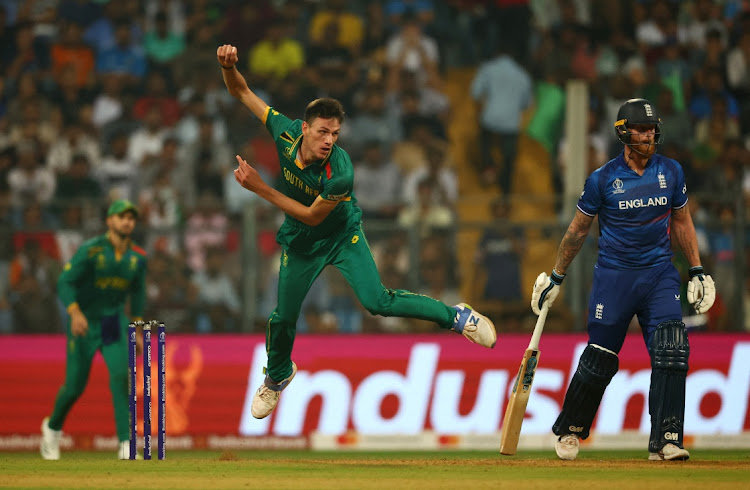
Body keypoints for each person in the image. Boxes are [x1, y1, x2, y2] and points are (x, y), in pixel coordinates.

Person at [216, 44, 497, 420]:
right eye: (322, 132)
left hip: (339, 235)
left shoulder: (341, 171)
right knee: (283, 317)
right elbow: (241, 91)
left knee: (377, 302)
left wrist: (259, 188)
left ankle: (457, 318)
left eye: (334, 133)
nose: (329, 140)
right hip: (301, 243)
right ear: (304, 128)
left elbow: (314, 216)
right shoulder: (283, 132)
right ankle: (278, 375)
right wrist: (228, 66)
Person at [531, 99, 716, 462]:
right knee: (600, 358)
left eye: (652, 129)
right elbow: (577, 231)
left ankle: (667, 438)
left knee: (672, 349)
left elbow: (681, 221)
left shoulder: (672, 171)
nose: (649, 135)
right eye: (641, 129)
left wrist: (696, 268)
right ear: (623, 132)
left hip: (660, 275)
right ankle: (570, 429)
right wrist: (556, 277)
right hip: (614, 278)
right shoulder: (602, 179)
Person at [40, 199, 148, 460]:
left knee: (121, 377)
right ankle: (52, 429)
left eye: (131, 218)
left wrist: (138, 325)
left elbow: (138, 292)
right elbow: (65, 282)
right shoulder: (90, 251)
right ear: (109, 221)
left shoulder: (138, 258)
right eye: (121, 216)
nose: (127, 221)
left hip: (113, 322)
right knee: (75, 385)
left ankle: (126, 442)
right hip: (85, 322)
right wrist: (74, 312)